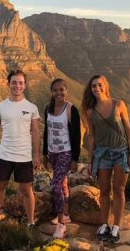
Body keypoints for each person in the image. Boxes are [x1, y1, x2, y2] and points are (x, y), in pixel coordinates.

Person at [82, 74, 130, 243]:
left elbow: (129, 130)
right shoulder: (90, 112)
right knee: (104, 191)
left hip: (121, 153)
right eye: (93, 86)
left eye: (99, 85)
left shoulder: (118, 104)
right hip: (102, 155)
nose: (96, 88)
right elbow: (91, 137)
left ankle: (116, 227)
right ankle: (104, 224)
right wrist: (90, 160)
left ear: (105, 86)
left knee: (119, 190)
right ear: (90, 90)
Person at [0, 70, 40, 227]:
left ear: (25, 85)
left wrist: (36, 155)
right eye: (14, 82)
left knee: (26, 190)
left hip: (24, 156)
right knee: (0, 186)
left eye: (20, 83)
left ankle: (30, 222)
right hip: (4, 154)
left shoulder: (31, 107)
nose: (17, 86)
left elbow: (36, 132)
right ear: (8, 84)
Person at [43, 78, 81, 239]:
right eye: (55, 90)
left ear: (66, 91)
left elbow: (77, 135)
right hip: (53, 153)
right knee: (63, 182)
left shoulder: (71, 109)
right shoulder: (48, 109)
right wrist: (44, 153)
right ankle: (65, 214)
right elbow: (47, 132)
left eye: (61, 90)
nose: (59, 93)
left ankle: (61, 225)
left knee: (55, 185)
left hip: (66, 152)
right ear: (51, 92)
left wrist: (75, 159)